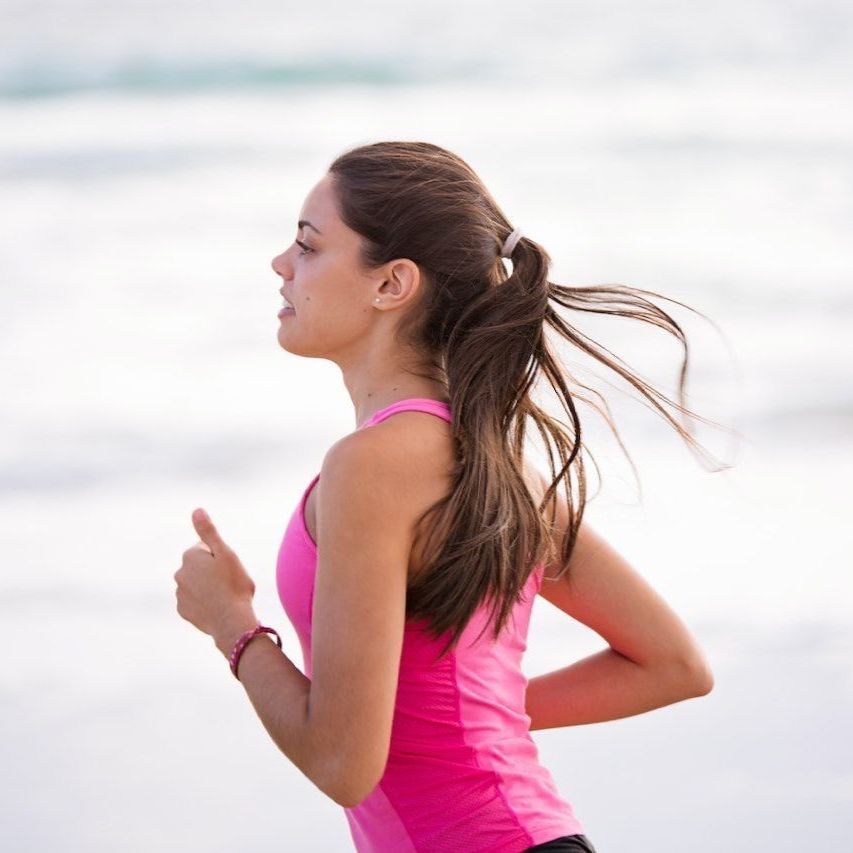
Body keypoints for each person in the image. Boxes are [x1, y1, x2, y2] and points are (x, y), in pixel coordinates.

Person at [180, 140, 727, 852]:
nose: (281, 264)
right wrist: (472, 721)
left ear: (391, 284)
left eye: (308, 246)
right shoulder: (493, 463)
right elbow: (670, 664)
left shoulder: (372, 465)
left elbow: (342, 764)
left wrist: (233, 624)